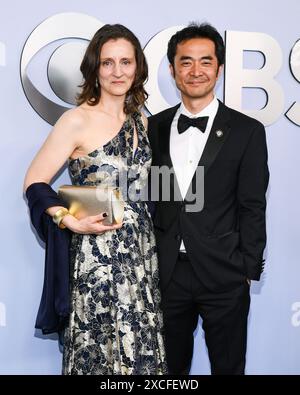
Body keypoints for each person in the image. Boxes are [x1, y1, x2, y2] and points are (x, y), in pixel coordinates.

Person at [24, 24, 167, 375]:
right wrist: (67, 219)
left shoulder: (143, 125)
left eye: (126, 62)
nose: (117, 72)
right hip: (96, 259)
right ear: (95, 69)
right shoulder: (76, 120)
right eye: (107, 63)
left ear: (138, 68)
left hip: (142, 260)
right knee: (98, 355)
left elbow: (161, 190)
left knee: (141, 357)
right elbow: (34, 181)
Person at [148, 23, 269, 375]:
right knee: (168, 372)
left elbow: (252, 204)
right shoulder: (153, 127)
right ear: (172, 70)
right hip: (166, 273)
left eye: (205, 61)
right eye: (186, 62)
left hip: (224, 274)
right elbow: (150, 195)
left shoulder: (247, 130)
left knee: (229, 368)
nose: (195, 71)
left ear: (219, 67)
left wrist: (247, 270)